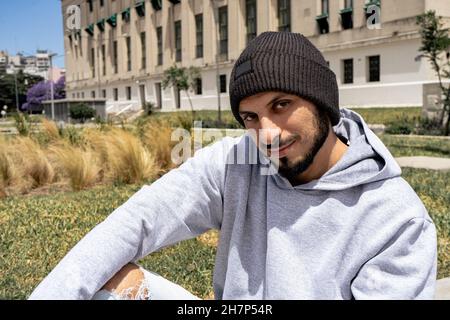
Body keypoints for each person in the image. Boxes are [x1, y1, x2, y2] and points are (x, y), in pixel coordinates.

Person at [29, 32, 437, 300]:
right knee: (110, 282)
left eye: (281, 105)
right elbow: (142, 219)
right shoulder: (237, 161)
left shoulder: (396, 220)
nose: (268, 134)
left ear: (322, 103)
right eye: (250, 117)